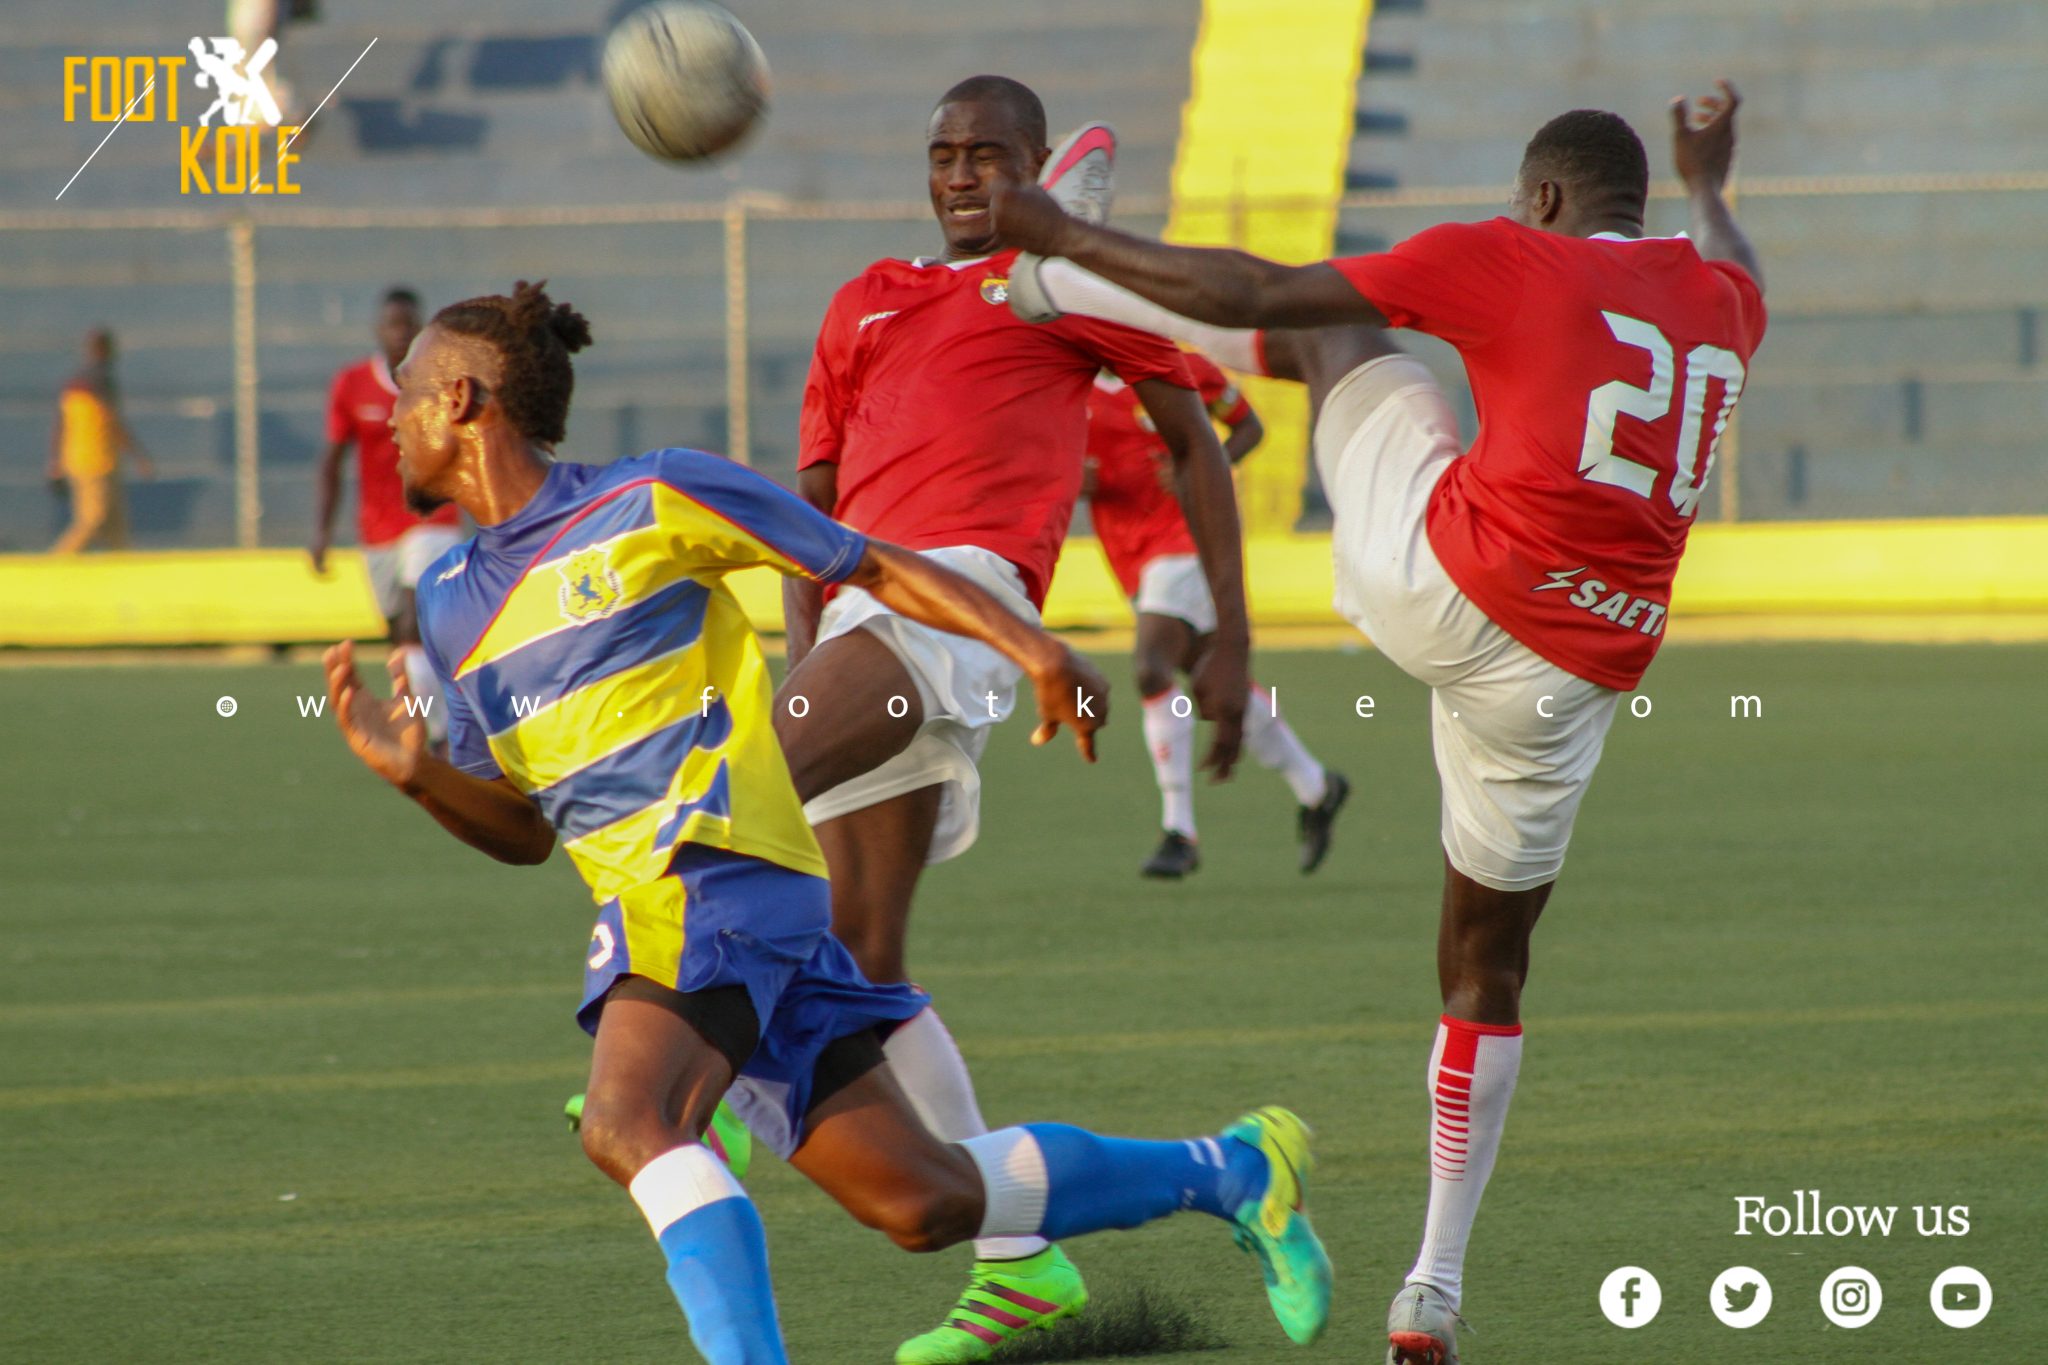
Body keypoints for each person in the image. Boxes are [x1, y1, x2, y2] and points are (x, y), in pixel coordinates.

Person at [320, 280, 1330, 1365]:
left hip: (708, 870)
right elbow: (524, 833)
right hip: (698, 908)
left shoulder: (650, 497)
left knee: (626, 1121)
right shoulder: (451, 599)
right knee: (923, 1201)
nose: (390, 416)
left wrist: (1038, 651)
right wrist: (419, 777)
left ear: (463, 398)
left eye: (408, 394)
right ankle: (1229, 1171)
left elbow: (870, 563)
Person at [993, 83, 1766, 1364]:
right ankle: (1431, 1289)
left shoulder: (1510, 255)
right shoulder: (1723, 303)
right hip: (1566, 675)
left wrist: (1063, 237)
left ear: (1544, 202)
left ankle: (1045, 289)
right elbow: (1740, 260)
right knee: (1484, 970)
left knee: (1343, 340)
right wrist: (1711, 179)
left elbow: (1251, 294)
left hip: (1440, 578)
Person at [778, 78, 1253, 1361]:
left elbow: (1196, 443)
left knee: (734, 796)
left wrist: (1232, 641)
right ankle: (1020, 1266)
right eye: (942, 154)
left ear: (1037, 167)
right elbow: (808, 503)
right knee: (862, 962)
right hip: (862, 618)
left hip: (963, 608)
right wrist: (799, 648)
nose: (960, 174)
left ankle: (690, 1053)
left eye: (987, 154)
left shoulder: (1067, 292)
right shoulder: (865, 298)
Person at [1084, 352, 1349, 878]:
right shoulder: (1070, 386)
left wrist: (1203, 469)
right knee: (1211, 682)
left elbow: (1248, 427)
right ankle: (1317, 786)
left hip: (1187, 540)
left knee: (1149, 666)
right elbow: (1059, 466)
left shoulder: (1179, 367)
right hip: (1128, 550)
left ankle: (1179, 830)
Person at [311, 288, 461, 747]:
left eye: (408, 324)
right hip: (377, 530)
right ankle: (437, 726)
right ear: (378, 330)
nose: (400, 332)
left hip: (433, 520)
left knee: (417, 628)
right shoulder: (351, 384)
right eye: (392, 324)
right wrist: (321, 530)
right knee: (398, 633)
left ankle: (433, 740)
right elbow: (333, 461)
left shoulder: (443, 383)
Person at [48, 327, 153, 553]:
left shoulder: (74, 382)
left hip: (80, 458)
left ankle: (125, 568)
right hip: (96, 460)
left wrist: (55, 460)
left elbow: (61, 423)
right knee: (94, 519)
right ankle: (58, 560)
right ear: (106, 350)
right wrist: (139, 456)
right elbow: (113, 423)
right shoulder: (102, 381)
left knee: (117, 527)